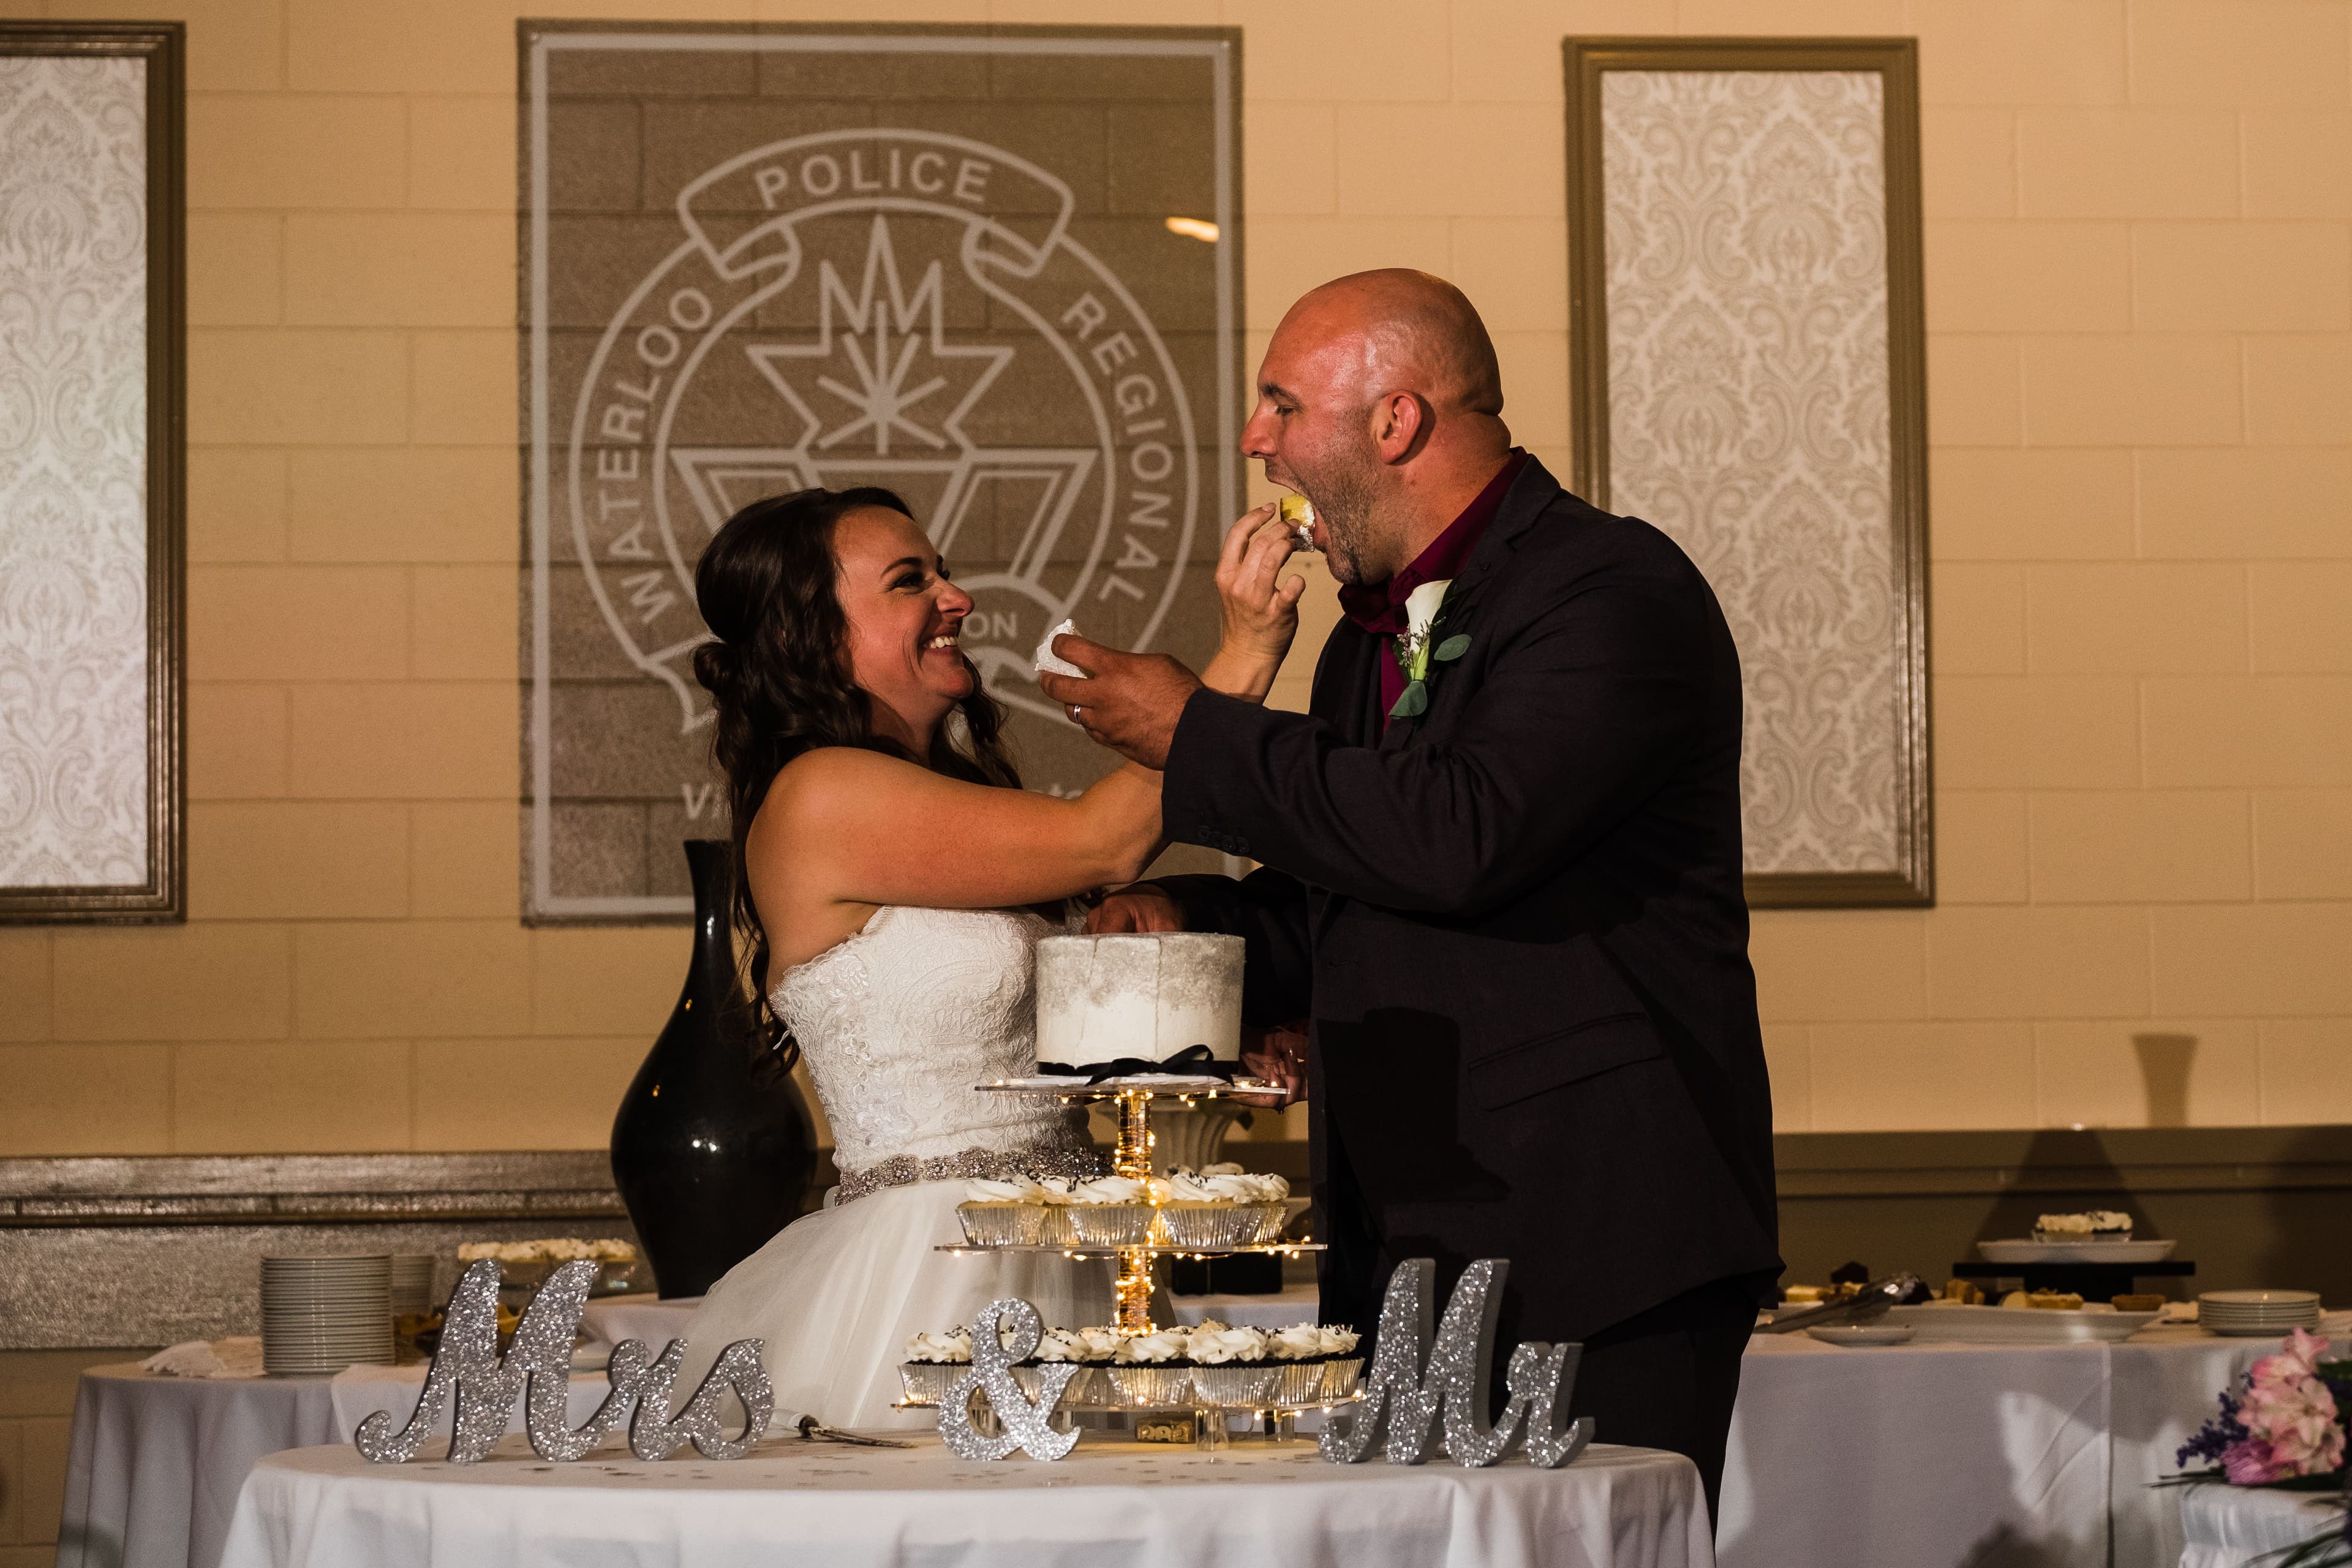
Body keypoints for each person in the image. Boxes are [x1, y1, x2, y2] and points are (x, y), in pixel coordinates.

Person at [1038, 270, 1781, 1517]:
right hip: (1410, 1237)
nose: (1257, 440)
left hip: (1596, 1240)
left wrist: (1199, 733)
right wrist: (1185, 925)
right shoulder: (1362, 643)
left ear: (1396, 421)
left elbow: (1461, 834)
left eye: (1282, 405)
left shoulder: (1611, 592)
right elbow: (1357, 895)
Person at [673, 484, 1294, 1429]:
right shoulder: (820, 796)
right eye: (911, 581)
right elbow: (1103, 840)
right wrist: (1242, 654)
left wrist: (1218, 1036)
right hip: (936, 1267)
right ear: (813, 630)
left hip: (1074, 1244)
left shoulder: (938, 795)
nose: (956, 599)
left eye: (946, 573)